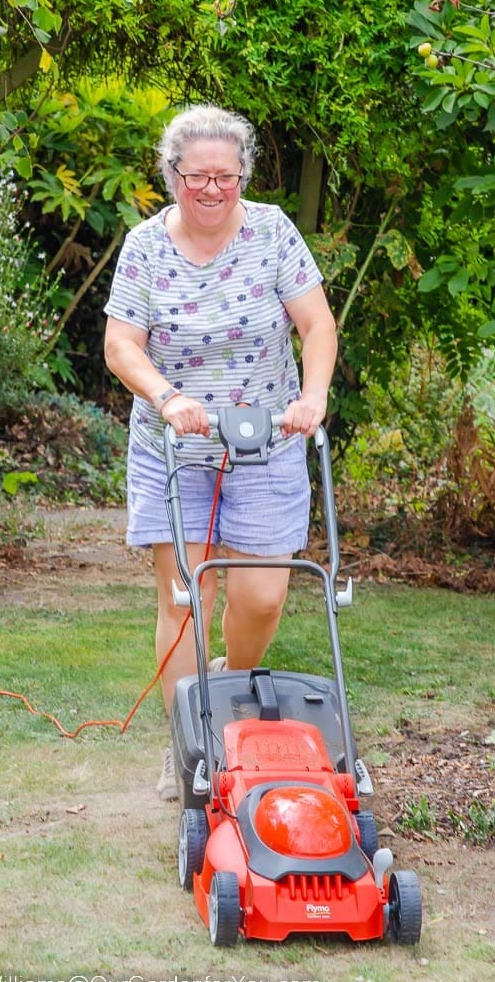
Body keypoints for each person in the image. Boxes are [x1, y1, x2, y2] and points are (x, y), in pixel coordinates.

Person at [103, 104, 337, 799]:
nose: (211, 188)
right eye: (196, 175)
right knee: (186, 599)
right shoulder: (145, 246)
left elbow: (316, 323)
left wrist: (314, 396)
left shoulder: (272, 232)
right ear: (171, 174)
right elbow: (121, 345)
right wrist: (169, 398)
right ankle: (191, 754)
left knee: (261, 597)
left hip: (266, 440)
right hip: (174, 447)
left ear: (243, 176)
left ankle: (230, 699)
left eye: (225, 176)